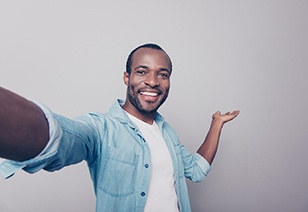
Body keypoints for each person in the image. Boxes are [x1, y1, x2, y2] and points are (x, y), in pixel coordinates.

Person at [0, 43, 240, 211]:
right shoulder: (101, 128)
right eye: (142, 71)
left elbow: (196, 171)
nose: (153, 82)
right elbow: (62, 137)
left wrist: (216, 124)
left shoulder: (167, 134)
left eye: (162, 74)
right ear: (127, 77)